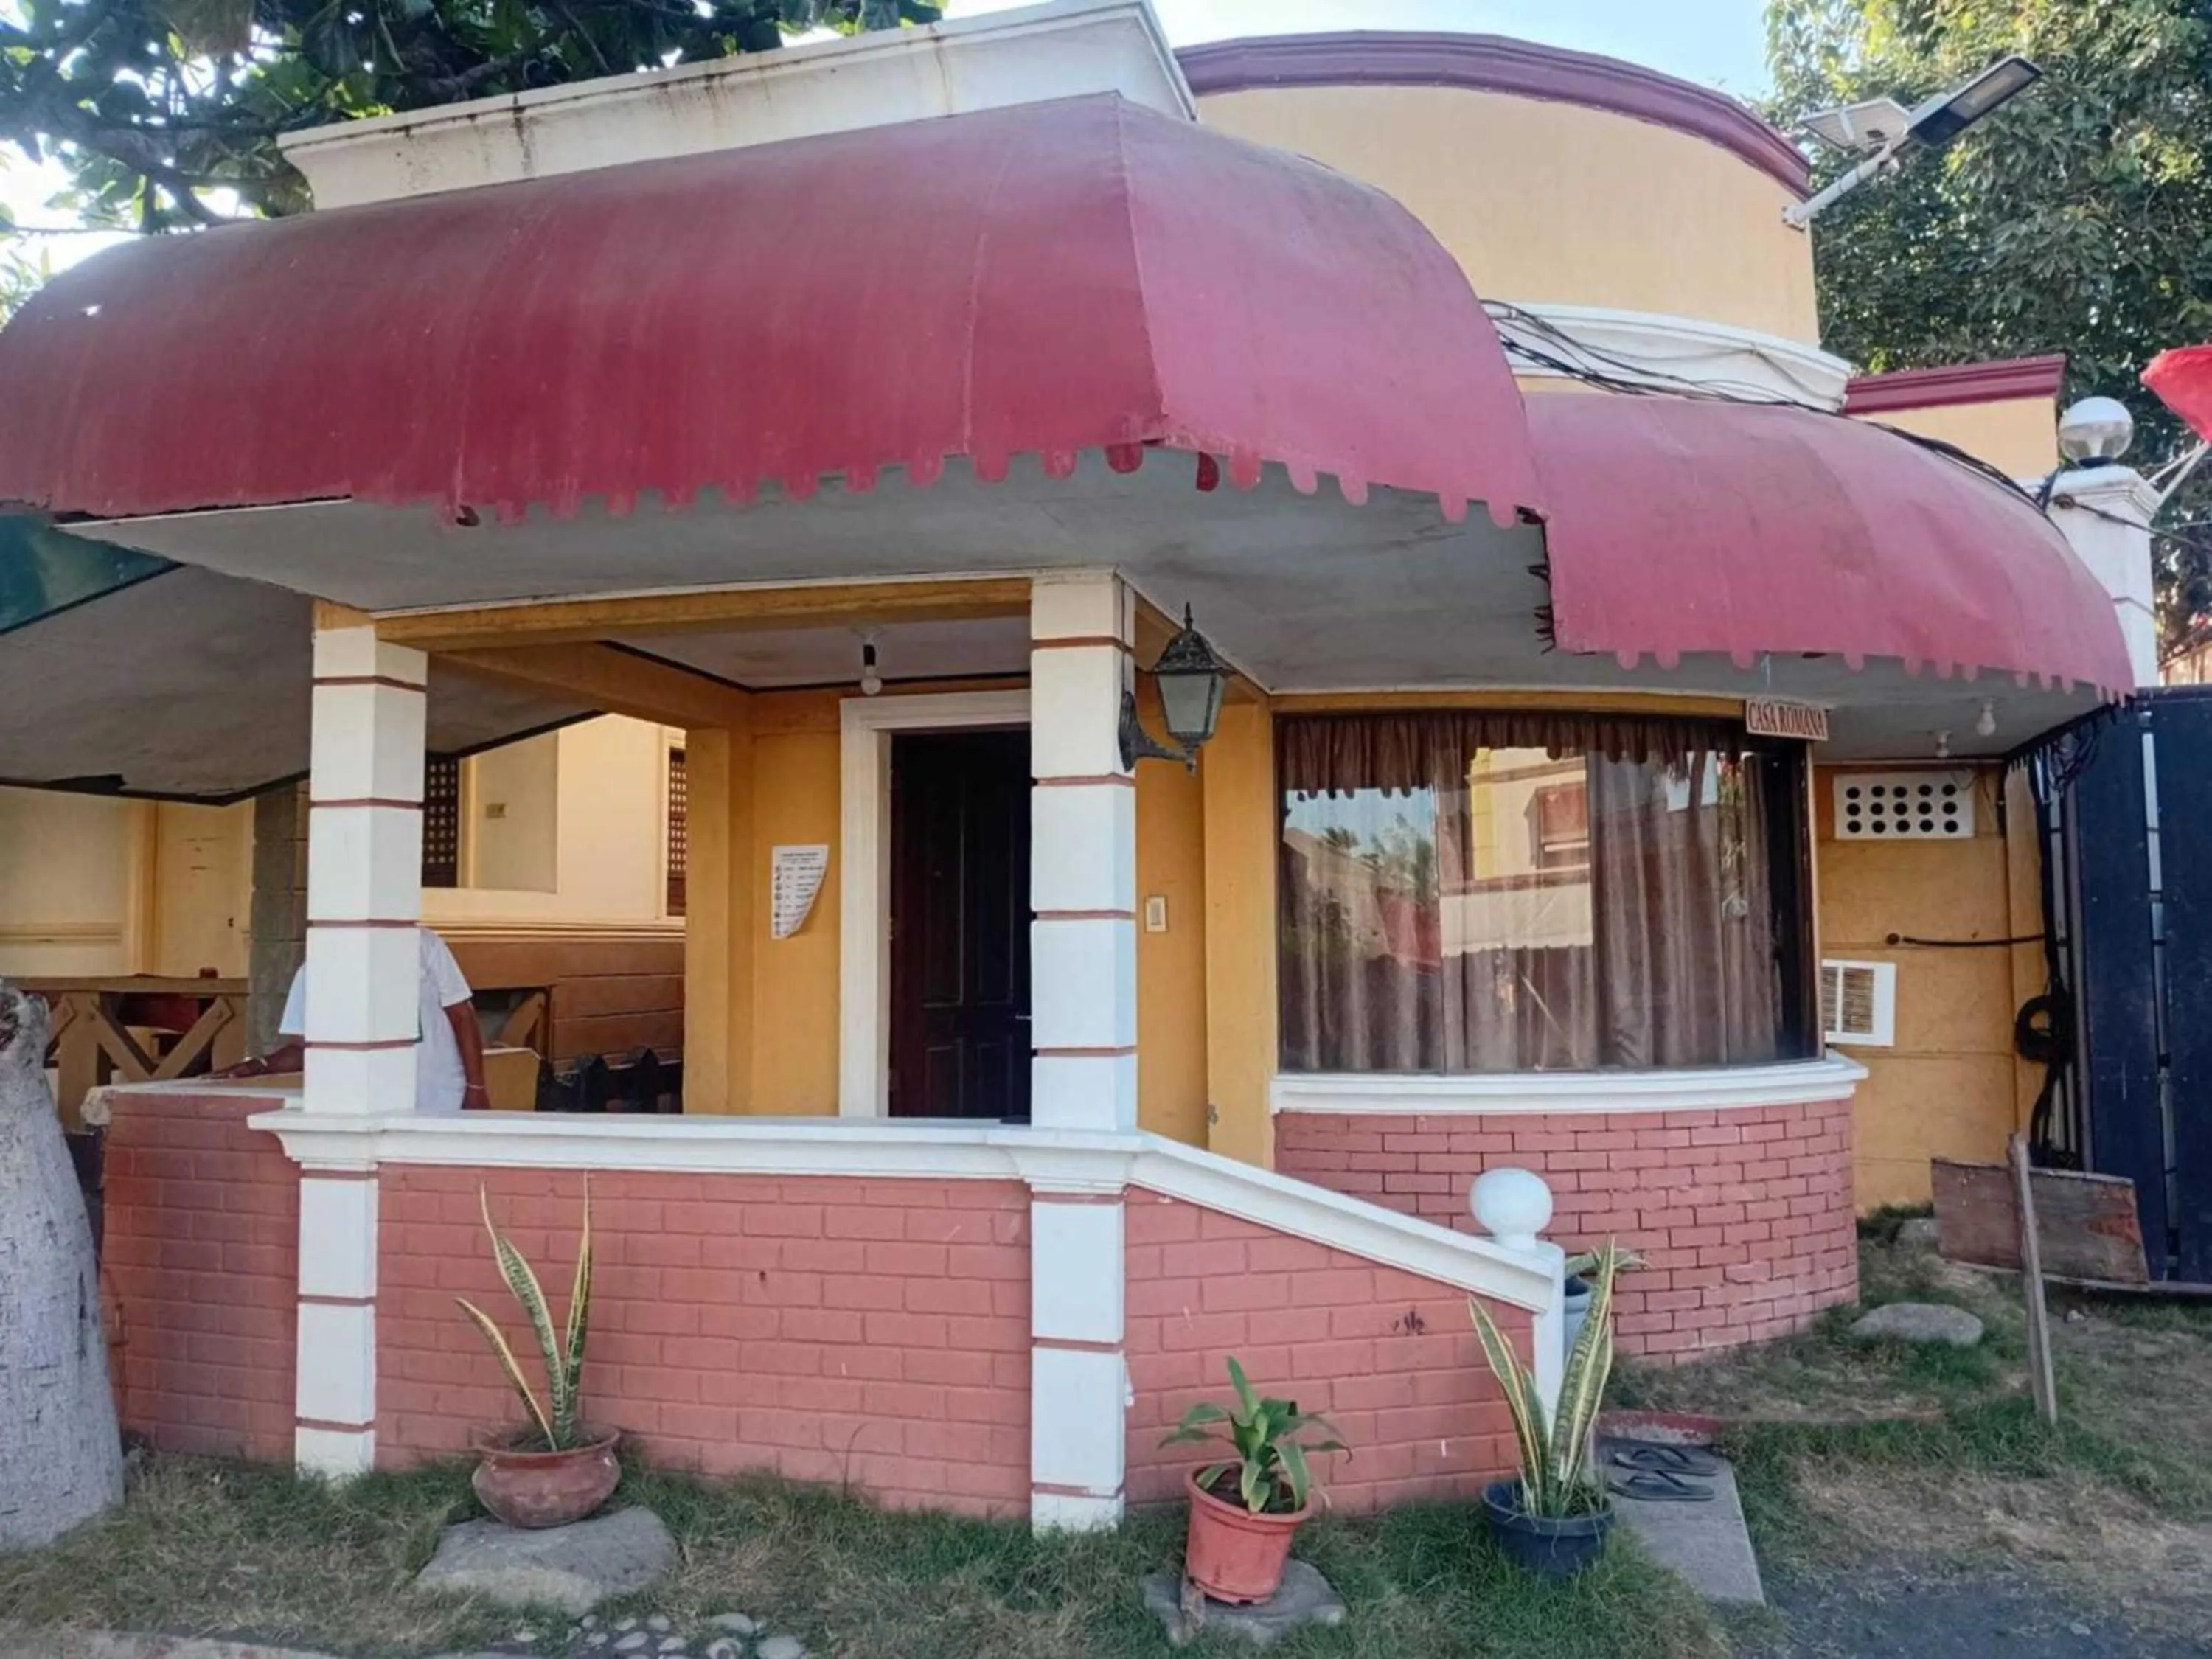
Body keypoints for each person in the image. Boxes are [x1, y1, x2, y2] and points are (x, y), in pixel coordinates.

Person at [223, 926, 488, 1113]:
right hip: (370, 1109)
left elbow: (462, 1016)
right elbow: (306, 1049)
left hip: (441, 1098)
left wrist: (476, 1087)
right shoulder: (315, 969)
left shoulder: (423, 943)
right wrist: (260, 1064)